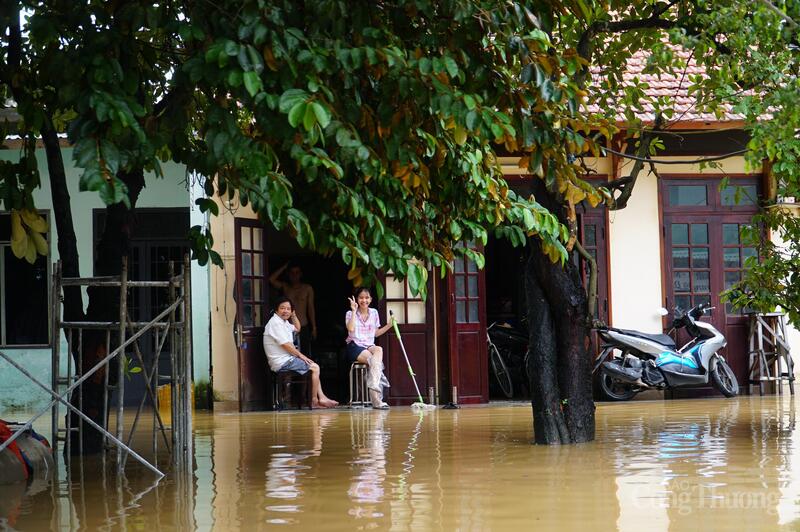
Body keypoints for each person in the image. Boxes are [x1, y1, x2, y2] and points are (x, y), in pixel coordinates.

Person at [264, 297, 338, 409]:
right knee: (315, 367)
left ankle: (321, 398)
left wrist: (293, 315)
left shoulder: (283, 322)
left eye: (288, 309)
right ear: (276, 310)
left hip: (287, 359)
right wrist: (301, 355)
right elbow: (286, 345)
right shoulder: (275, 323)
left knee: (313, 367)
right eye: (282, 308)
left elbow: (298, 328)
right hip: (282, 362)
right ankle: (315, 401)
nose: (285, 311)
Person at [345, 287, 394, 409]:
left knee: (379, 350)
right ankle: (377, 400)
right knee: (374, 362)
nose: (364, 300)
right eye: (361, 297)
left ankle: (373, 386)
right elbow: (350, 329)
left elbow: (375, 333)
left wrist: (389, 325)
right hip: (354, 345)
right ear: (357, 299)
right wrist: (353, 310)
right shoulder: (350, 313)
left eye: (366, 298)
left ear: (371, 299)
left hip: (369, 345)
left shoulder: (374, 313)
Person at [269, 262, 317, 354]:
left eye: (297, 272)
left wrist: (314, 327)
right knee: (289, 353)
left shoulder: (307, 288)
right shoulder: (285, 287)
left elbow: (311, 308)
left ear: (301, 274)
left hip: (303, 325)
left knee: (305, 354)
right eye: (292, 273)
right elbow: (271, 279)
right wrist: (284, 266)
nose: (295, 275)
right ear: (288, 274)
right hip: (288, 326)